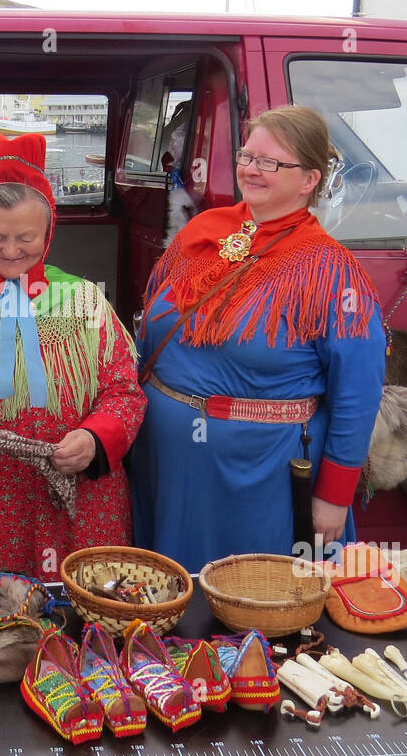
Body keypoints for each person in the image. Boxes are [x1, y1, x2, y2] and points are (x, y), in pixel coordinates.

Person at [130, 105, 385, 572]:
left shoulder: (330, 272)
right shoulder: (201, 233)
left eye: (271, 162)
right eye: (248, 155)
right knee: (166, 604)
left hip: (258, 476)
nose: (251, 169)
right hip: (167, 463)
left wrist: (333, 495)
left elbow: (358, 392)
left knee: (255, 611)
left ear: (309, 180)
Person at [0, 133, 146, 580]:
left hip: (78, 499)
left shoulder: (84, 302)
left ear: (48, 232)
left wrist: (94, 439)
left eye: (25, 237)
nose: (10, 252)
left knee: (79, 616)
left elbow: (125, 391)